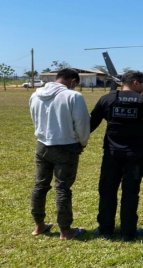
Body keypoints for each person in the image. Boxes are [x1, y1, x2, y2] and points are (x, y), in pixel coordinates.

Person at [90, 70, 143, 241]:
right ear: (135, 82)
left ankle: (105, 230)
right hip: (135, 155)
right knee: (130, 192)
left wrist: (80, 141)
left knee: (107, 190)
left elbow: (92, 123)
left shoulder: (107, 99)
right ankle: (128, 232)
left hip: (111, 154)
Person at [29, 68, 90, 240]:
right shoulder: (73, 96)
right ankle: (65, 230)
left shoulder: (35, 95)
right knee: (62, 188)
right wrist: (82, 142)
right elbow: (82, 123)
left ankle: (39, 225)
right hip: (66, 146)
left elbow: (34, 118)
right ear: (72, 81)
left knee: (40, 186)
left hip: (42, 145)